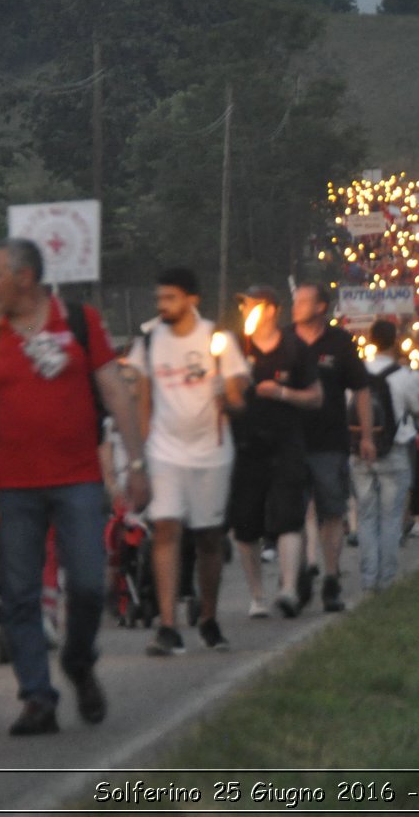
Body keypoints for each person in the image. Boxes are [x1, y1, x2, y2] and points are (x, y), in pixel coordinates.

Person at [0, 238, 149, 737]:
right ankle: (37, 697)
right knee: (17, 596)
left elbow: (114, 391)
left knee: (87, 584)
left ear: (25, 277)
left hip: (79, 481)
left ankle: (78, 661)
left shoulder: (80, 321)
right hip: (16, 489)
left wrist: (138, 463)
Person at [129, 268, 248, 655]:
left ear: (192, 299)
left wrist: (224, 390)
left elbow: (239, 400)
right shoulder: (149, 342)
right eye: (160, 298)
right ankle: (167, 625)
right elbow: (142, 401)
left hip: (211, 451)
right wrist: (141, 454)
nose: (163, 306)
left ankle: (209, 619)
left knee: (208, 537)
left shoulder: (218, 339)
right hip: (165, 450)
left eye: (171, 298)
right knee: (165, 529)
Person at [229, 286, 321, 619]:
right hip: (245, 445)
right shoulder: (234, 347)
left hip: (286, 442)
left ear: (270, 309)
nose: (246, 309)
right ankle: (257, 596)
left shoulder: (295, 348)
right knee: (246, 523)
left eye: (252, 304)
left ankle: (288, 589)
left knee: (288, 517)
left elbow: (315, 396)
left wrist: (282, 392)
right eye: (244, 304)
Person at [289, 283, 371, 614]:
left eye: (304, 301)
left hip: (329, 442)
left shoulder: (340, 342)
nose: (296, 306)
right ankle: (296, 577)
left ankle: (332, 578)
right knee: (293, 514)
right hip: (290, 442)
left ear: (321, 306)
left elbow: (361, 388)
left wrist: (366, 435)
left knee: (331, 512)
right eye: (295, 301)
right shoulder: (284, 339)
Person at [354, 320, 419, 592]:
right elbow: (418, 407)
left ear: (371, 340)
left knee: (366, 515)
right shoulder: (403, 375)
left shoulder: (357, 371)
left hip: (361, 449)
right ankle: (386, 579)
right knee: (390, 516)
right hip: (394, 448)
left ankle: (368, 576)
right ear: (395, 341)